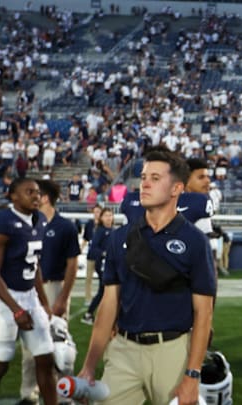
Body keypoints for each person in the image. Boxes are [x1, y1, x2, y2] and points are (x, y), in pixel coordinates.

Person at [79, 147, 217, 404]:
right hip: (124, 349)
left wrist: (192, 374)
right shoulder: (119, 237)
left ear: (176, 189)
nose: (144, 184)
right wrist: (89, 366)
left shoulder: (195, 241)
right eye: (143, 177)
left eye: (155, 178)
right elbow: (109, 304)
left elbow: (204, 312)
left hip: (173, 350)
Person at [0, 178, 58, 404]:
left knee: (46, 359)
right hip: (3, 298)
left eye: (37, 192)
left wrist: (43, 301)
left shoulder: (41, 219)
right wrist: (15, 310)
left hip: (30, 296)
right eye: (29, 192)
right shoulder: (2, 221)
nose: (36, 196)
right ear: (13, 197)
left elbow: (33, 265)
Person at [19, 179, 81, 404]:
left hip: (54, 286)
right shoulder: (28, 224)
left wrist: (63, 297)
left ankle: (64, 392)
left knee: (59, 343)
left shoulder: (65, 226)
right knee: (28, 345)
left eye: (33, 194)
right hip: (29, 289)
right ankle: (28, 393)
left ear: (44, 197)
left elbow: (72, 264)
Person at [80, 207, 114, 325]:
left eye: (110, 215)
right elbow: (94, 247)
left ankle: (98, 314)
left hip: (111, 264)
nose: (109, 218)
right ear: (101, 218)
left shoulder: (113, 230)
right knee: (103, 290)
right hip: (103, 264)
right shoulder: (100, 231)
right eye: (106, 215)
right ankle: (89, 314)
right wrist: (104, 253)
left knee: (106, 291)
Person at [83, 204, 102, 305]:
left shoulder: (104, 225)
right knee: (88, 278)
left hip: (101, 256)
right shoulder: (89, 224)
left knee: (103, 279)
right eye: (95, 212)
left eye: (98, 212)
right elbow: (85, 238)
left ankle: (102, 297)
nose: (96, 214)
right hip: (91, 254)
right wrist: (80, 250)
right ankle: (88, 298)